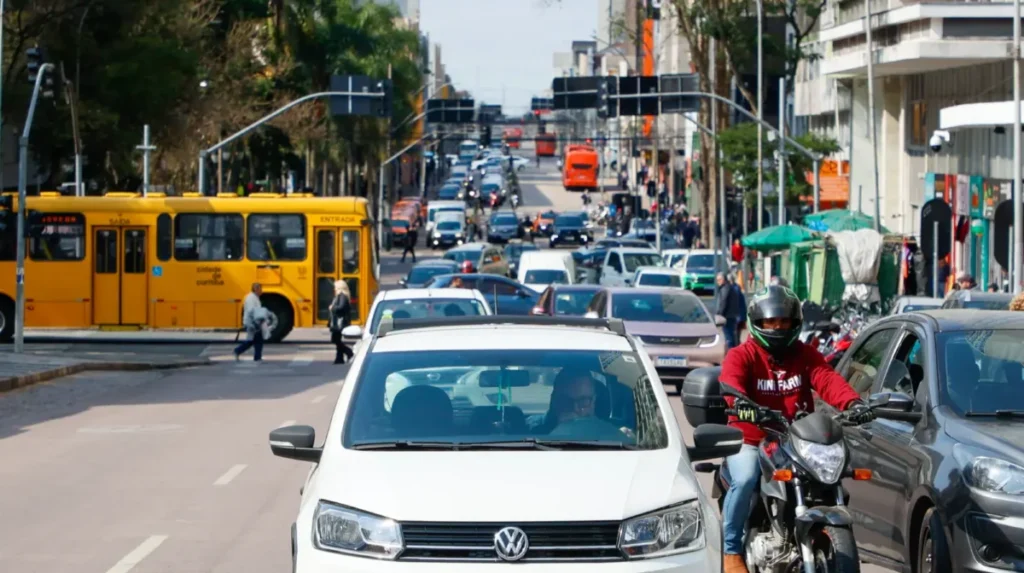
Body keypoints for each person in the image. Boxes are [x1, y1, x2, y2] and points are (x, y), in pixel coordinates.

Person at [718, 285, 874, 573]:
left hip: (796, 439)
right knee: (746, 477)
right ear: (758, 323)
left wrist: (853, 403)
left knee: (830, 477)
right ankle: (731, 552)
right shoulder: (742, 355)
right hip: (752, 438)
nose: (777, 327)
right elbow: (731, 385)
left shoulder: (805, 354)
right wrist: (741, 404)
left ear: (794, 323)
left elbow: (826, 378)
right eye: (770, 322)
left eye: (784, 322)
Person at [234, 283, 265, 362]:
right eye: (260, 289)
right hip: (252, 323)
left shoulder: (254, 297)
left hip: (253, 322)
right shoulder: (251, 298)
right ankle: (257, 357)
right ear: (256, 289)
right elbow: (251, 311)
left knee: (252, 340)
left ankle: (238, 351)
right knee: (258, 340)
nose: (262, 291)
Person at [328, 280, 354, 364]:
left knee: (336, 339)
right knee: (337, 339)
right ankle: (339, 358)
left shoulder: (342, 296)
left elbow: (341, 307)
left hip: (340, 323)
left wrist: (332, 308)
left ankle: (349, 352)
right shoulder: (339, 296)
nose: (334, 289)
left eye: (335, 287)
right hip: (337, 323)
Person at [715, 273, 742, 350]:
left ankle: (731, 352)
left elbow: (723, 302)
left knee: (728, 336)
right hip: (731, 315)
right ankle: (733, 351)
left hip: (727, 316)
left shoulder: (725, 288)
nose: (718, 282)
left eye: (720, 280)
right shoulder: (729, 287)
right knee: (730, 335)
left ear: (724, 280)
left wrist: (720, 314)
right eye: (717, 280)